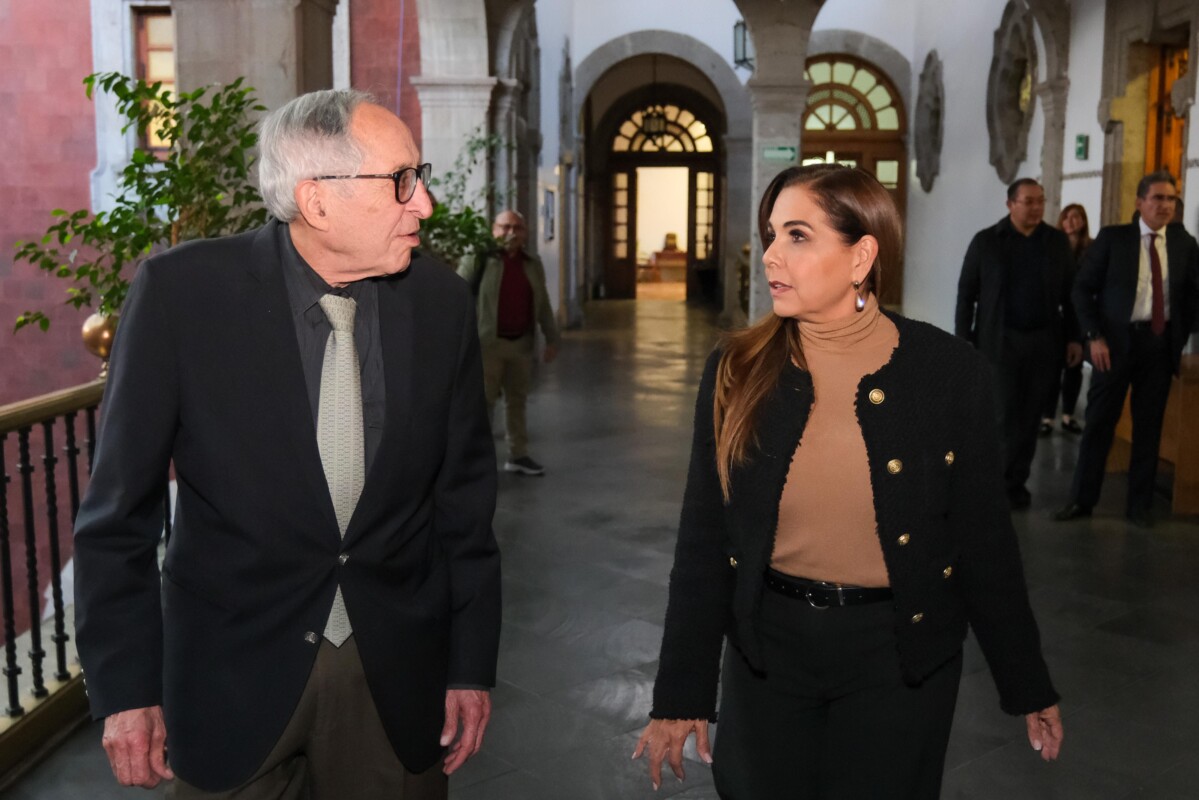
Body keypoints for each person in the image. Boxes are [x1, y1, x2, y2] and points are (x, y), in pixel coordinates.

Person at [73, 90, 502, 798]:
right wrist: (125, 688)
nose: (424, 204)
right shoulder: (182, 294)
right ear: (317, 199)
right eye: (401, 181)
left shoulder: (441, 303)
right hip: (230, 674)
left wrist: (470, 665)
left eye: (418, 177)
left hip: (395, 675)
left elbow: (465, 504)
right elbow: (118, 514)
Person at [634, 164, 1062, 798]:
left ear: (861, 256)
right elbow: (703, 537)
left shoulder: (949, 373)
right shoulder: (737, 368)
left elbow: (984, 540)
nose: (771, 255)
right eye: (772, 234)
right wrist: (680, 692)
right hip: (767, 651)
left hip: (899, 656)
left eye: (797, 235)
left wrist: (1026, 683)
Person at [1055, 171, 1199, 528]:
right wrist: (1093, 336)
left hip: (1158, 346)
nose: (1165, 205)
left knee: (1149, 428)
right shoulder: (1114, 239)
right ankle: (1082, 500)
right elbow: (1081, 290)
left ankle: (1139, 505)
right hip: (1114, 345)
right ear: (1139, 202)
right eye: (1158, 198)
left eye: (1170, 199)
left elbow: (1192, 297)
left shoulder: (1184, 244)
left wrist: (1183, 339)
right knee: (1099, 423)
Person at [954, 179, 1081, 509]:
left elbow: (1071, 295)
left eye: (1041, 201)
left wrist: (1074, 337)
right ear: (1010, 204)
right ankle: (995, 485)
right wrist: (962, 341)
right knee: (1003, 415)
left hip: (1043, 342)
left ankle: (1016, 482)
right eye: (1029, 201)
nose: (1036, 207)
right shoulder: (987, 241)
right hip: (999, 342)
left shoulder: (1055, 242)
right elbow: (967, 294)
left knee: (1030, 417)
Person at [458, 210, 560, 476]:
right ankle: (475, 462)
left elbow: (543, 303)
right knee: (483, 404)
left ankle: (518, 455)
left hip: (521, 345)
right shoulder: (479, 258)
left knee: (517, 401)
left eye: (517, 228)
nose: (511, 233)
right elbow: (456, 296)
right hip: (487, 346)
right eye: (505, 227)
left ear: (525, 233)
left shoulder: (532, 263)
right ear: (494, 230)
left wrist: (552, 338)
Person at [1040, 203, 1094, 435]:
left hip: (1080, 314)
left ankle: (1068, 415)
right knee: (1051, 368)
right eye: (1067, 217)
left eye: (1076, 216)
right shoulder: (1052, 248)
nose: (1071, 221)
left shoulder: (1092, 248)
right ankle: (1047, 417)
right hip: (1057, 314)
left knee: (1075, 366)